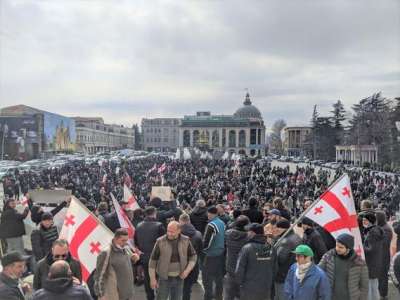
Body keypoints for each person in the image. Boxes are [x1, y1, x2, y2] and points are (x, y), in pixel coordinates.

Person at [148, 221, 197, 300]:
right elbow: (152, 261)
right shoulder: (160, 241)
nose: (169, 234)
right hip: (164, 279)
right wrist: (152, 279)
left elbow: (193, 256)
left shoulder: (186, 240)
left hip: (180, 278)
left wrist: (187, 271)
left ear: (179, 231)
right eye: (168, 231)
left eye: (172, 232)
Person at [318, 233, 369, 300]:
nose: (337, 249)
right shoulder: (328, 256)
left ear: (348, 249)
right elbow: (318, 271)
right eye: (336, 246)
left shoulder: (359, 263)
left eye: (341, 247)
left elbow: (364, 287)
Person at [94, 228, 139, 300]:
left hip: (127, 293)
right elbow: (99, 275)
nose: (125, 243)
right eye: (123, 240)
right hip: (115, 295)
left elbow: (125, 263)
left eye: (126, 240)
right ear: (115, 239)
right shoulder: (106, 253)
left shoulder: (125, 248)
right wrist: (101, 294)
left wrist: (134, 259)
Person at [235, 223, 275, 300]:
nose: (247, 233)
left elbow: (239, 269)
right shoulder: (272, 248)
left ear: (253, 233)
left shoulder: (247, 248)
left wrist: (239, 284)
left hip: (248, 289)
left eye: (248, 231)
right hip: (265, 288)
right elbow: (275, 269)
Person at [135, 206, 166, 300]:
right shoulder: (159, 225)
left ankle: (150, 297)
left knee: (148, 279)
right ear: (154, 213)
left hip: (144, 257)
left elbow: (136, 242)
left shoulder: (139, 225)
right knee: (159, 280)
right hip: (157, 258)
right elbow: (164, 243)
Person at [272, 219, 302, 300]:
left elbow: (279, 259)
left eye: (277, 228)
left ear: (283, 228)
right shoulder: (297, 236)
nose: (275, 229)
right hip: (293, 273)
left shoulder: (285, 241)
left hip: (282, 275)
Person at [224, 215, 250, 300]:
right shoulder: (248, 237)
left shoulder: (228, 233)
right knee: (242, 294)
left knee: (229, 293)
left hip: (230, 267)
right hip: (243, 269)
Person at [202, 206, 226, 300]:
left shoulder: (211, 225)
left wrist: (203, 250)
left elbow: (207, 242)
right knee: (219, 278)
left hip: (211, 255)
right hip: (221, 254)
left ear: (211, 213)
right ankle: (218, 297)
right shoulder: (222, 223)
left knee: (207, 279)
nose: (207, 215)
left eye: (208, 213)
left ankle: (208, 297)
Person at [179, 213, 203, 300]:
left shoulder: (176, 234)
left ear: (180, 221)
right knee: (187, 288)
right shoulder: (198, 234)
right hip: (192, 264)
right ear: (189, 221)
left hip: (178, 263)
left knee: (175, 287)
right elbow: (200, 250)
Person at [361, 211, 384, 300]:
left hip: (371, 264)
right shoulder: (373, 230)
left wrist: (361, 246)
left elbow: (370, 249)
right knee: (373, 285)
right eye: (363, 220)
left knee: (370, 286)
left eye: (365, 220)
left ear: (370, 221)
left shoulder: (373, 232)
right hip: (374, 263)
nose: (363, 222)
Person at [375, 210, 393, 300]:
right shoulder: (380, 227)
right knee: (379, 276)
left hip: (383, 256)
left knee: (383, 276)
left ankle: (383, 295)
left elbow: (384, 243)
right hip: (379, 256)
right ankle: (380, 293)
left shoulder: (386, 229)